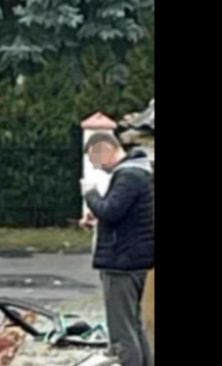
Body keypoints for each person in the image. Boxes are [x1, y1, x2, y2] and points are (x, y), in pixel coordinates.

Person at [82, 132, 154, 366]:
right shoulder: (140, 172)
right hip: (135, 259)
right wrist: (98, 218)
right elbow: (123, 215)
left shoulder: (128, 175)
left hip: (121, 262)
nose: (96, 166)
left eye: (95, 158)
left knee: (122, 332)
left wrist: (90, 194)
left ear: (106, 148)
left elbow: (111, 211)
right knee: (134, 324)